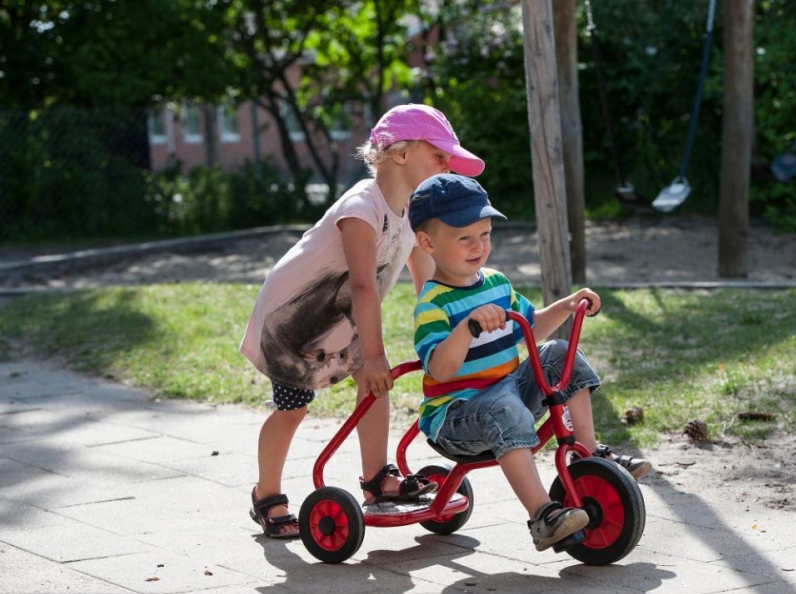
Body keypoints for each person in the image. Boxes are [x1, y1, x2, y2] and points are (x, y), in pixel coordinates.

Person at [240, 104, 487, 539]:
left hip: (345, 315)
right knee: (293, 407)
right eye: (440, 156)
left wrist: (451, 329)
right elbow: (362, 285)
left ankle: (377, 478)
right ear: (400, 153)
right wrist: (372, 354)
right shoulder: (361, 207)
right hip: (295, 319)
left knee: (378, 385)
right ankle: (268, 495)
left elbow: (430, 281)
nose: (447, 166)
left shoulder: (414, 212)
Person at [409, 174, 651, 551]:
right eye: (464, 237)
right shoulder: (432, 304)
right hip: (455, 417)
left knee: (558, 353)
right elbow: (439, 369)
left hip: (506, 394)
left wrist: (566, 305)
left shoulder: (496, 284)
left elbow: (531, 328)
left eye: (485, 234)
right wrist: (466, 329)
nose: (479, 246)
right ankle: (543, 515)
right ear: (427, 243)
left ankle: (589, 456)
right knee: (502, 407)